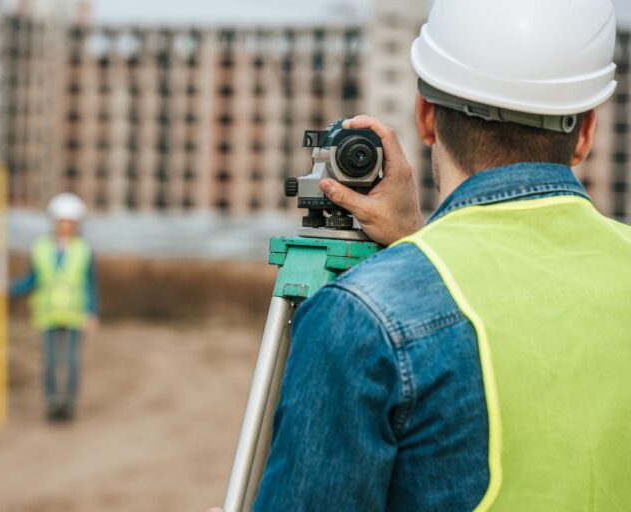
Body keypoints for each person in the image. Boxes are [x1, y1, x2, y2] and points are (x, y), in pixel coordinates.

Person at [210, 0, 631, 510]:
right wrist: (416, 238)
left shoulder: (362, 318)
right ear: (586, 132)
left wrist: (413, 259)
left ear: (425, 115)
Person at [11, 192, 99, 422]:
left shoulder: (84, 249)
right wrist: (8, 289)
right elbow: (33, 279)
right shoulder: (40, 247)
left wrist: (91, 313)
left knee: (70, 362)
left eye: (70, 222)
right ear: (54, 222)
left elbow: (90, 284)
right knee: (49, 362)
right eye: (62, 222)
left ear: (77, 223)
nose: (66, 226)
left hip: (74, 314)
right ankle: (52, 402)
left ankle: (68, 403)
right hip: (47, 314)